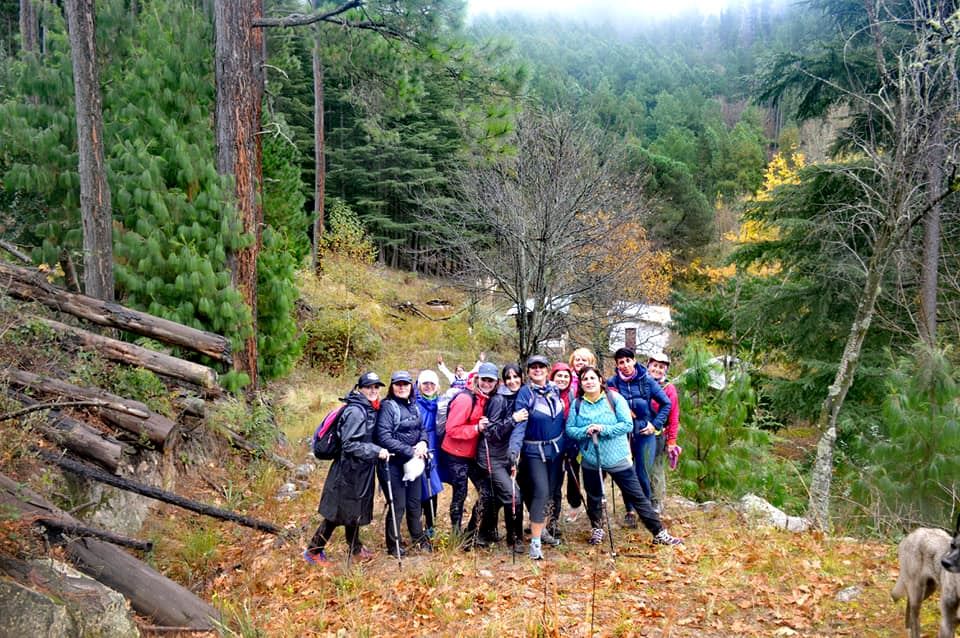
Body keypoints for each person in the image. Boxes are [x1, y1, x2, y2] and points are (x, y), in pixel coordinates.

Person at [565, 366, 682, 546]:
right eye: (585, 379)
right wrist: (585, 431)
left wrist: (604, 429)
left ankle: (659, 533)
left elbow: (627, 425)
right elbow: (570, 430)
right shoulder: (578, 404)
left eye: (592, 378)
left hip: (617, 457)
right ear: (581, 383)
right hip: (591, 459)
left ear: (600, 380)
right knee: (594, 496)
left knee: (637, 496)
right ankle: (597, 529)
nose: (588, 382)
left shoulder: (615, 399)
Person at [304, 372, 389, 564]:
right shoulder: (356, 411)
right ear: (360, 389)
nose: (374, 390)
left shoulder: (367, 408)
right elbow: (349, 444)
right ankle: (313, 551)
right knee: (337, 514)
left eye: (376, 387)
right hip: (348, 471)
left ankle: (355, 548)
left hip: (359, 469)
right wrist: (376, 450)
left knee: (354, 511)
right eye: (369, 387)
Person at [607, 347, 671, 528]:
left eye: (628, 360)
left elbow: (666, 404)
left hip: (645, 433)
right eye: (621, 362)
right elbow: (607, 405)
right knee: (627, 472)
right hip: (623, 435)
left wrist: (655, 424)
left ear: (634, 360)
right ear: (617, 365)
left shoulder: (647, 381)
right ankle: (630, 511)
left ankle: (646, 510)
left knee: (642, 473)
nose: (625, 365)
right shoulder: (613, 383)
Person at [513, 355, 566, 559]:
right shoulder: (525, 394)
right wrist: (514, 451)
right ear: (528, 372)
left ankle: (542, 531)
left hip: (557, 450)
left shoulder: (555, 389)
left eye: (541, 366)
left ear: (547, 369)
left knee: (552, 492)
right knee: (541, 492)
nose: (537, 370)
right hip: (534, 451)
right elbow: (520, 425)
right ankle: (535, 544)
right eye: (533, 367)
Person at [440, 361, 498, 546]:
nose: (487, 383)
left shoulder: (486, 398)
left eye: (491, 381)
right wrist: (476, 428)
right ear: (478, 379)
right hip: (455, 454)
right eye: (484, 379)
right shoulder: (465, 399)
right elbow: (451, 429)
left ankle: (471, 532)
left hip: (471, 455)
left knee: (487, 492)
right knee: (460, 493)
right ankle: (456, 536)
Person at [375, 371, 430, 556]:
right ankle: (394, 545)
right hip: (391, 464)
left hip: (412, 464)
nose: (402, 387)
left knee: (414, 503)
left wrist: (423, 442)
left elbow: (422, 429)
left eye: (405, 384)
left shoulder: (414, 406)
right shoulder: (387, 407)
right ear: (392, 387)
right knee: (397, 505)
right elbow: (383, 437)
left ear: (411, 386)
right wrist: (411, 451)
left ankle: (419, 538)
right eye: (398, 384)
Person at [478, 363, 528, 554]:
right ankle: (514, 539)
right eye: (509, 378)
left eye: (516, 377)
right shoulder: (499, 399)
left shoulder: (522, 396)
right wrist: (513, 419)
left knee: (496, 496)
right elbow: (492, 433)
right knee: (513, 495)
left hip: (507, 455)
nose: (513, 381)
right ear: (503, 381)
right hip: (491, 456)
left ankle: (482, 533)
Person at [550, 362, 583, 530]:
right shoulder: (546, 393)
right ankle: (548, 517)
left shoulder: (573, 396)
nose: (562, 379)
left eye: (565, 376)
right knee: (552, 482)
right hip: (550, 446)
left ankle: (571, 507)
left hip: (570, 444)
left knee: (569, 476)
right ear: (552, 377)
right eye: (559, 376)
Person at [647, 352, 679, 514]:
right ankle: (642, 499)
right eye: (655, 366)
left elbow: (673, 416)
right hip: (638, 433)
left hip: (659, 434)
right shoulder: (640, 383)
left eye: (661, 367)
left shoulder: (668, 388)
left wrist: (672, 440)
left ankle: (656, 500)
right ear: (649, 366)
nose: (657, 369)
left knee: (656, 468)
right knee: (640, 467)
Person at [416, 370, 444, 537]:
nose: (428, 386)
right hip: (420, 444)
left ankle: (431, 524)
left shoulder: (441, 403)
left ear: (437, 386)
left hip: (437, 447)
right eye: (425, 383)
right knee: (420, 484)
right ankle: (417, 522)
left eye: (432, 383)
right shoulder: (414, 403)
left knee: (433, 485)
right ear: (419, 385)